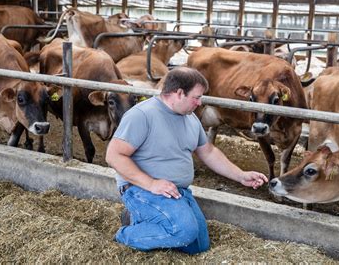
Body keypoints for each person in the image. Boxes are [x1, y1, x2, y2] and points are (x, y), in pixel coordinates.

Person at [106, 66, 268, 254]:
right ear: (179, 93)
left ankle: (146, 219)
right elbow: (114, 155)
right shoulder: (142, 115)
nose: (200, 103)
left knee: (198, 245)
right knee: (184, 232)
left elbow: (208, 152)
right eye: (197, 97)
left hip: (176, 191)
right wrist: (151, 183)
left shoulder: (190, 118)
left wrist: (241, 175)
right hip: (141, 189)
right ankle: (125, 234)